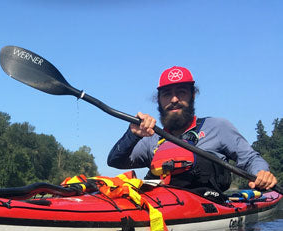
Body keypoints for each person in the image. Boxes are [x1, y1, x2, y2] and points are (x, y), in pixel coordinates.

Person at [107, 66, 277, 196]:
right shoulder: (151, 138)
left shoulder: (218, 127)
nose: (174, 99)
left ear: (193, 95)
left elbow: (250, 159)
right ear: (158, 100)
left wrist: (261, 174)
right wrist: (132, 135)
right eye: (167, 94)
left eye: (181, 92)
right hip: (160, 208)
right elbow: (115, 161)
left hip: (210, 214)